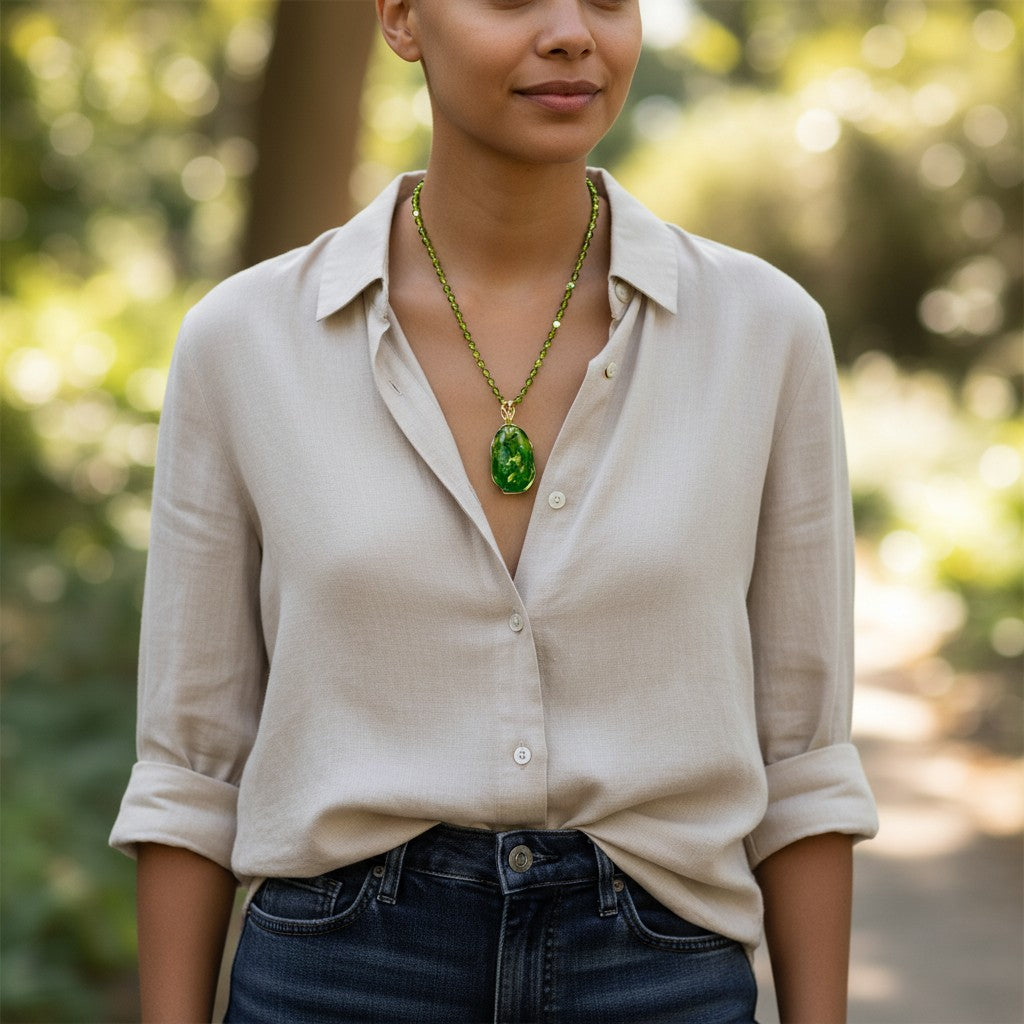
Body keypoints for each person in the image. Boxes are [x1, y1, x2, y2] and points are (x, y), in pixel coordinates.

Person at [110, 1, 878, 1021]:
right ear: (400, 18)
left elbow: (804, 757)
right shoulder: (244, 341)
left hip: (658, 973)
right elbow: (190, 766)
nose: (570, 33)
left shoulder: (764, 334)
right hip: (338, 975)